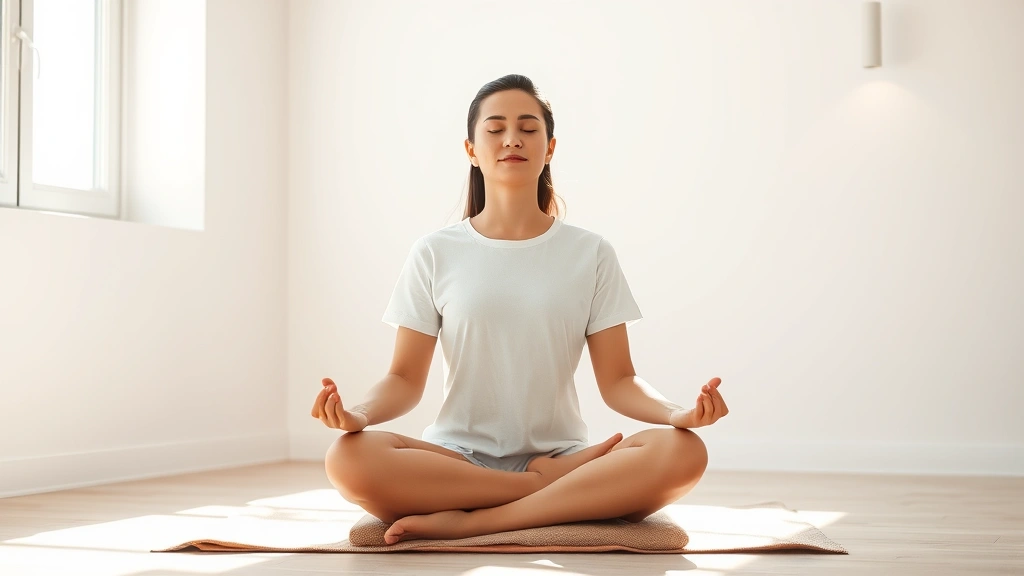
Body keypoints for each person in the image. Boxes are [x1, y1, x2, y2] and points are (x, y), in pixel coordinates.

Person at [310, 74, 729, 545]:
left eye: (529, 128)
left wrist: (677, 413)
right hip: (459, 460)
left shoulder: (590, 253)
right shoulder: (434, 252)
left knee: (683, 451)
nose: (512, 139)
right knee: (347, 459)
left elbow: (619, 381)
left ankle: (478, 521)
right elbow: (404, 379)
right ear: (471, 150)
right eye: (496, 129)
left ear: (549, 148)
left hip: (563, 454)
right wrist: (359, 414)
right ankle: (544, 493)